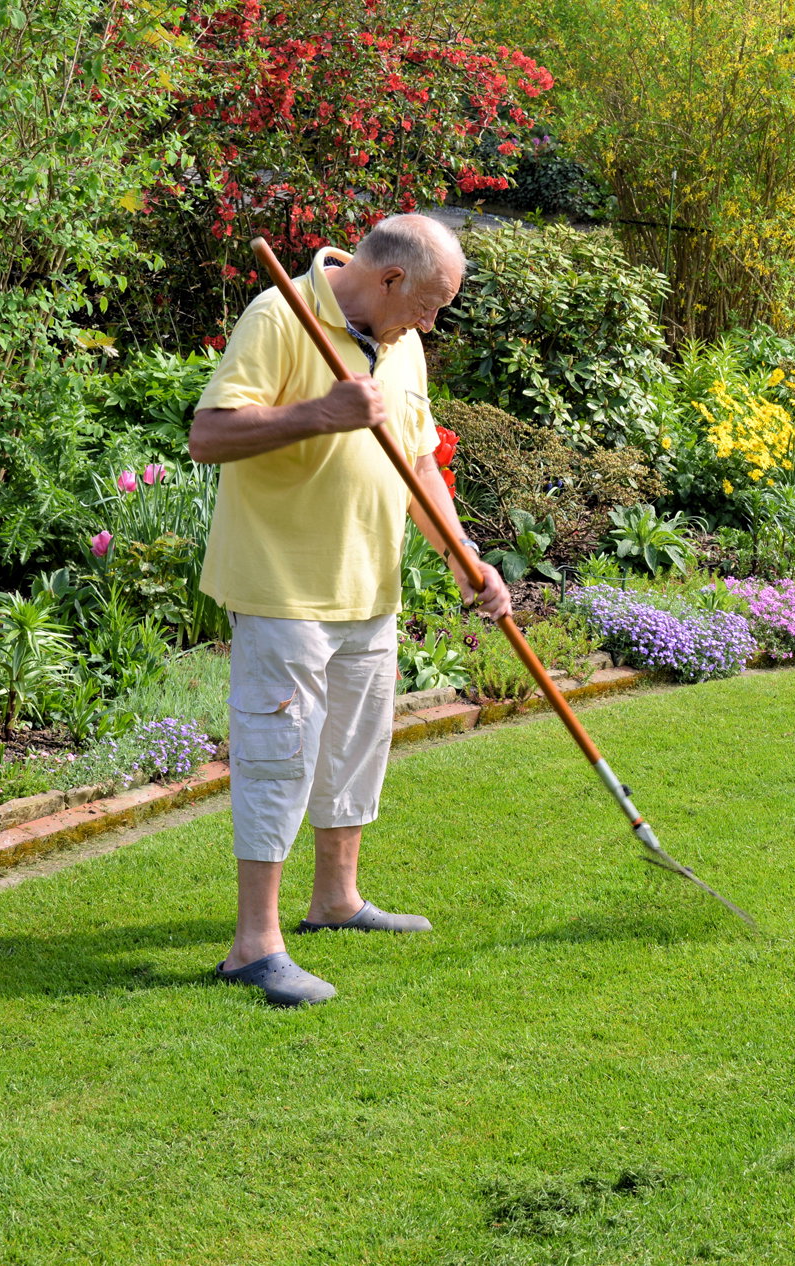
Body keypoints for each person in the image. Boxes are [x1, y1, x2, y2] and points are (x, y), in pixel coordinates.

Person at [187, 214, 511, 1007]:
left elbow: (419, 462)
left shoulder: (403, 345)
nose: (431, 323)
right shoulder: (279, 316)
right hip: (283, 589)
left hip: (369, 586)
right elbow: (209, 435)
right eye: (430, 305)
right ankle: (253, 946)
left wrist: (462, 556)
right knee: (279, 760)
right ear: (391, 279)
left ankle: (335, 900)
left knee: (354, 752)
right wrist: (320, 413)